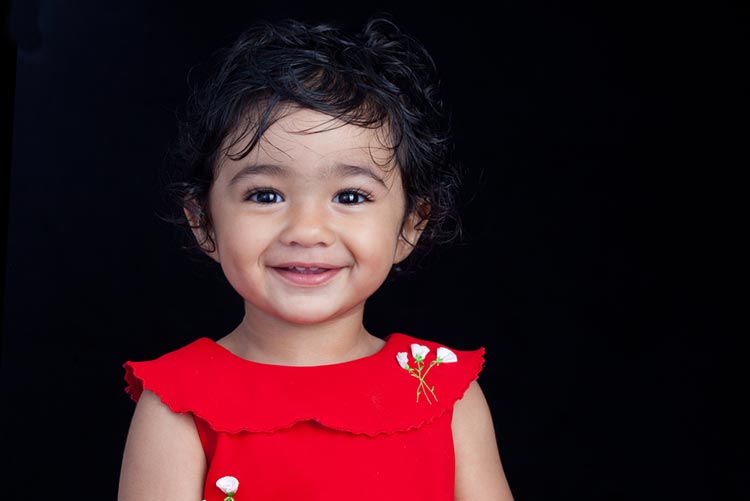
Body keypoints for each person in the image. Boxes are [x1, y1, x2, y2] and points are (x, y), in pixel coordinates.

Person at [118, 15, 513, 501]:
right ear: (203, 221)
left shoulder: (442, 391)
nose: (307, 231)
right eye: (265, 195)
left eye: (350, 197)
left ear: (411, 224)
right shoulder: (179, 400)